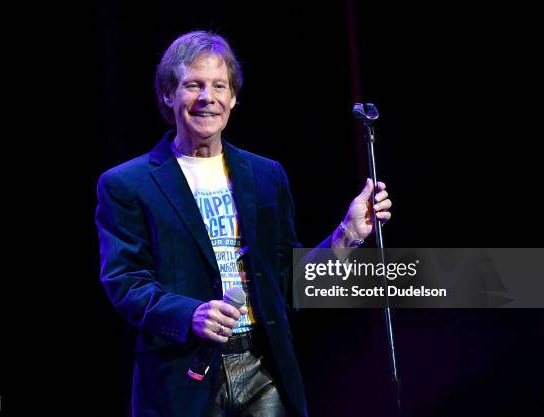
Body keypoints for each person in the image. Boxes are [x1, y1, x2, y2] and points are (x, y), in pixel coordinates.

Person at [95, 30, 392, 417]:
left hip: (263, 370)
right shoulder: (127, 184)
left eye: (219, 85)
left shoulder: (266, 176)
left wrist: (347, 235)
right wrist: (189, 314)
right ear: (169, 94)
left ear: (233, 98)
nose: (207, 97)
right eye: (193, 85)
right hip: (183, 378)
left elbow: (288, 281)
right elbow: (125, 282)